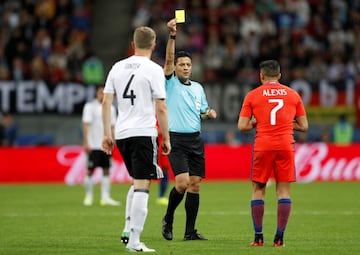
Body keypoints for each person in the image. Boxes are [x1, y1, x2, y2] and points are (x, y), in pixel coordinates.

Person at [102, 25, 170, 253]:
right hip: (143, 132)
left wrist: (106, 134)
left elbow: (106, 102)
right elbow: (161, 107)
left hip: (121, 133)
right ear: (154, 45)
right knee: (143, 185)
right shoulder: (154, 70)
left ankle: (127, 227)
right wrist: (167, 137)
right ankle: (135, 241)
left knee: (136, 181)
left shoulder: (116, 67)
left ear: (133, 43)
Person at [238, 60, 308, 247]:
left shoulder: (253, 95)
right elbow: (304, 126)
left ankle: (258, 237)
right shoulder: (293, 95)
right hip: (285, 145)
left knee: (258, 190)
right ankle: (279, 238)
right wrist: (285, 124)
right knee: (283, 191)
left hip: (263, 146)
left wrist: (256, 122)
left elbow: (242, 126)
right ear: (279, 75)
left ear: (261, 76)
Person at [161, 18, 217, 242]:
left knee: (195, 186)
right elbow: (167, 58)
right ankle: (168, 217)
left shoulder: (198, 88)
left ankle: (189, 232)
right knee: (182, 183)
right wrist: (172, 35)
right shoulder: (170, 82)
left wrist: (208, 113)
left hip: (195, 140)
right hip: (176, 140)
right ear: (175, 67)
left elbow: (200, 111)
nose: (185, 67)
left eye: (188, 65)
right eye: (181, 64)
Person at [82, 85, 120, 206]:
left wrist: (114, 141)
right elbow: (86, 125)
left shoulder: (111, 108)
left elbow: (113, 126)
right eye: (100, 93)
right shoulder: (90, 107)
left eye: (104, 93)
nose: (102, 95)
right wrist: (86, 142)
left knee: (106, 169)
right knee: (90, 170)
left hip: (106, 145)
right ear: (96, 94)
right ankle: (88, 196)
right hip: (93, 144)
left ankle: (105, 197)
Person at [156, 121, 170, 206]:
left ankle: (162, 196)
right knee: (147, 171)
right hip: (153, 145)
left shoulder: (169, 114)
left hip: (164, 146)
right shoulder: (153, 114)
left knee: (165, 170)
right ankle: (141, 193)